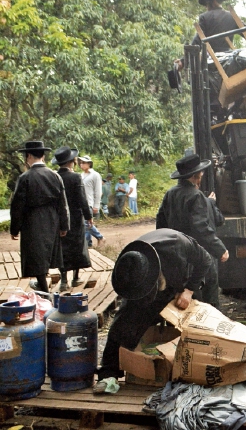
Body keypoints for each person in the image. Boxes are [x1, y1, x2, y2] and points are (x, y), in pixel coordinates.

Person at [94, 228, 213, 393]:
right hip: (148, 281)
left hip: (183, 284)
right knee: (123, 322)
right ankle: (108, 374)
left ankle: (191, 373)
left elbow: (206, 260)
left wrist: (189, 290)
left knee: (191, 329)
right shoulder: (131, 263)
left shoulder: (177, 246)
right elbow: (124, 320)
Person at [156, 154, 229, 308]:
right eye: (200, 173)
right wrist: (220, 249)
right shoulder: (196, 196)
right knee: (208, 304)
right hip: (199, 259)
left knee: (183, 303)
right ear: (196, 176)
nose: (201, 176)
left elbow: (160, 224)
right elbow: (201, 228)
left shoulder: (170, 194)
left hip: (177, 258)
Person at [10, 141, 69, 292]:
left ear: (28, 156)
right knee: (47, 251)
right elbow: (62, 203)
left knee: (35, 254)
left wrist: (14, 229)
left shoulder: (25, 177)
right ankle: (44, 286)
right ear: (43, 155)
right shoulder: (55, 176)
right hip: (52, 218)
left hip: (32, 219)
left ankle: (44, 289)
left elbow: (17, 206)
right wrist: (64, 225)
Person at [52, 146, 92, 291]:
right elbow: (82, 199)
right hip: (75, 217)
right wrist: (88, 216)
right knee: (77, 245)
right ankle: (76, 278)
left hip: (60, 218)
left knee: (62, 248)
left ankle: (63, 280)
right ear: (73, 161)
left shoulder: (54, 176)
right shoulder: (76, 177)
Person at [78, 155, 105, 247]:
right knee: (85, 223)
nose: (82, 164)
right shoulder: (81, 175)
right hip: (82, 202)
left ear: (89, 164)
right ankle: (88, 243)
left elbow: (98, 191)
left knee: (87, 223)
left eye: (84, 163)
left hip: (90, 202)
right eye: (81, 163)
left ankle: (100, 237)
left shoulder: (95, 175)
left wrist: (96, 206)